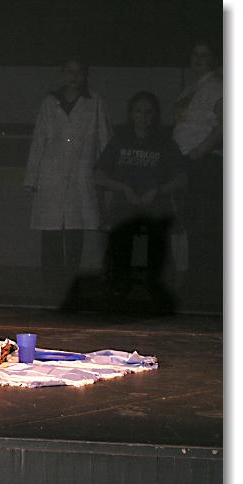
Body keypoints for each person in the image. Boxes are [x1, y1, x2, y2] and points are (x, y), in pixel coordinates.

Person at [23, 57, 112, 302]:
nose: (73, 76)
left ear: (85, 75)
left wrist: (105, 174)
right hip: (51, 175)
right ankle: (51, 284)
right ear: (62, 74)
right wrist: (32, 177)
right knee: (50, 231)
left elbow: (104, 139)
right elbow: (39, 140)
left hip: (81, 173)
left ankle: (70, 282)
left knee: (75, 230)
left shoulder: (95, 102)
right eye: (69, 71)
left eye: (78, 72)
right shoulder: (50, 102)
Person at [95, 91, 187, 312]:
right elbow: (98, 175)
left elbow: (182, 178)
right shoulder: (119, 140)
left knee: (158, 238)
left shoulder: (165, 143)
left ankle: (157, 289)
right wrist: (124, 188)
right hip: (124, 205)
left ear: (155, 115)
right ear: (131, 114)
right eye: (138, 111)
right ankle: (118, 288)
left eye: (148, 112)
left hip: (156, 205)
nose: (143, 117)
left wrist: (157, 191)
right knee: (120, 238)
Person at [172, 39, 223, 297]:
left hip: (205, 161)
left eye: (204, 55)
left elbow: (225, 124)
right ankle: (196, 279)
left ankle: (207, 283)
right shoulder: (190, 89)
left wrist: (199, 152)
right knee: (191, 220)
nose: (198, 59)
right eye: (195, 54)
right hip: (186, 161)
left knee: (206, 221)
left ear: (214, 60)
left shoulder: (218, 87)